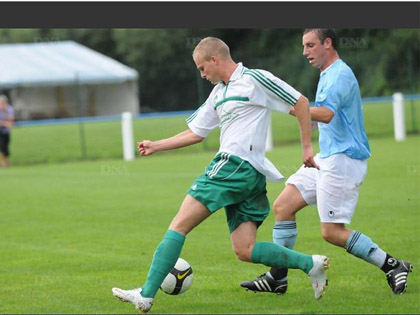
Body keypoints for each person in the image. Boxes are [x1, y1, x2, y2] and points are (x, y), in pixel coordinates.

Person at [112, 37, 330, 313]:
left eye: (203, 68)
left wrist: (307, 147)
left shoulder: (255, 79)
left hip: (233, 166)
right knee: (244, 249)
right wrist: (157, 145)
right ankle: (311, 264)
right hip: (249, 176)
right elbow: (196, 133)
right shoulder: (219, 92)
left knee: (179, 224)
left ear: (215, 60)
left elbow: (299, 102)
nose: (202, 75)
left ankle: (145, 295)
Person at [240, 29, 413, 296]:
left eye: (310, 45)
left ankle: (392, 265)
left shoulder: (339, 75)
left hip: (344, 160)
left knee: (332, 232)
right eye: (303, 46)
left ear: (328, 44)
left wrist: (290, 106)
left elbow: (327, 114)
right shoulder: (327, 74)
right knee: (283, 206)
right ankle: (277, 278)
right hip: (327, 156)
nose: (305, 52)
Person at [0, 95, 14, 168]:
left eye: (2, 102)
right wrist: (4, 123)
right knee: (2, 146)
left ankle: (7, 161)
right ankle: (3, 162)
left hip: (6, 130)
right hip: (0, 130)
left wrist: (4, 111)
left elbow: (10, 120)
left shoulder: (9, 109)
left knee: (6, 146)